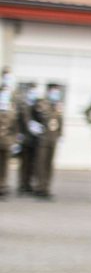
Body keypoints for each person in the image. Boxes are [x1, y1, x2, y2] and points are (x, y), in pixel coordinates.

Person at [32, 82, 64, 199]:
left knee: (49, 164)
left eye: (57, 91)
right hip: (42, 139)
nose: (56, 93)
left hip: (53, 138)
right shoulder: (41, 103)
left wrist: (61, 135)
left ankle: (46, 187)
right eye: (54, 91)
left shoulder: (58, 106)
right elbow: (32, 116)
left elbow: (60, 121)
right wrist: (33, 125)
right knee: (41, 163)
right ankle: (39, 187)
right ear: (49, 91)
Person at [15, 82, 41, 195]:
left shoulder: (37, 105)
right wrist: (18, 134)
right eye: (31, 91)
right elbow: (18, 121)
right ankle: (22, 184)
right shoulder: (23, 105)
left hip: (35, 139)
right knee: (24, 163)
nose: (33, 93)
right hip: (25, 138)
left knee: (34, 163)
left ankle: (30, 184)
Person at [0, 67, 16, 198]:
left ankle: (3, 187)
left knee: (5, 165)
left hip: (8, 139)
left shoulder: (14, 95)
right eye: (6, 76)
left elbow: (17, 119)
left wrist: (16, 138)